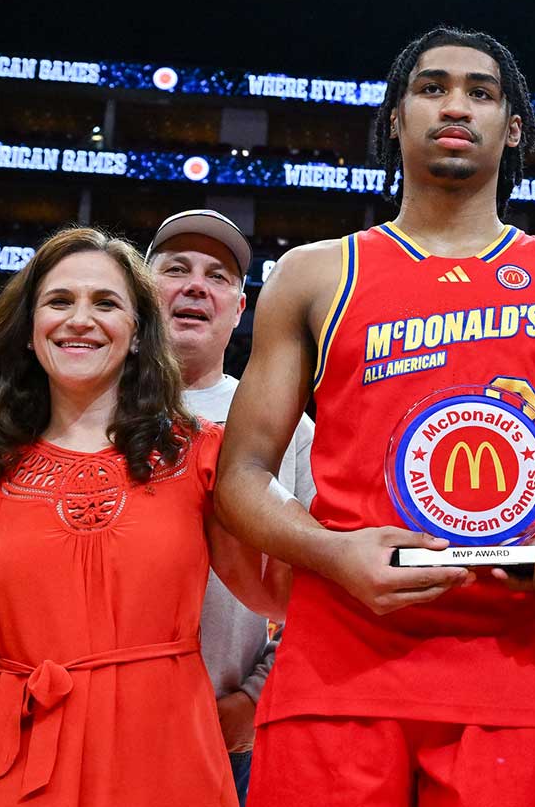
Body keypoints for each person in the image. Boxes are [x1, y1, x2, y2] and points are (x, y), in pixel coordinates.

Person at [214, 26, 535, 807]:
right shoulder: (316, 273)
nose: (456, 105)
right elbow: (239, 478)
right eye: (431, 88)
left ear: (514, 128)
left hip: (512, 686)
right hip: (333, 673)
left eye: (482, 91)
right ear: (395, 119)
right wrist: (333, 555)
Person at [0, 227, 284, 807]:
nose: (79, 319)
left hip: (164, 753)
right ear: (28, 330)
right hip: (14, 750)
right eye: (59, 301)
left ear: (141, 333)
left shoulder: (204, 454)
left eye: (106, 303)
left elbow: (276, 593)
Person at [146, 208, 316, 805]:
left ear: (240, 309)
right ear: (143, 292)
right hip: (97, 709)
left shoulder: (284, 427)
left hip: (226, 726)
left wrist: (255, 697)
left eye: (218, 276)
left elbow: (314, 584)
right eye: (176, 269)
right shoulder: (86, 412)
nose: (196, 285)